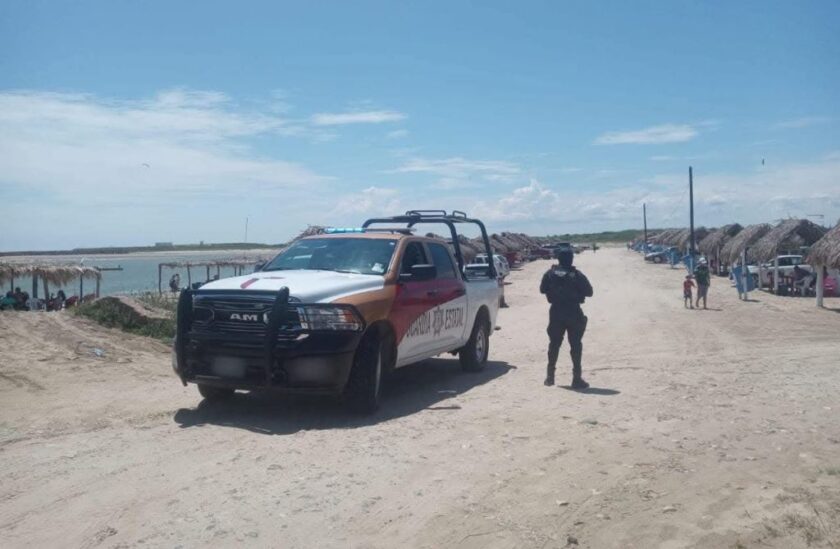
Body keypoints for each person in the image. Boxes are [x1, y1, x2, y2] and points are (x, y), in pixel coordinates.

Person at [540, 248, 594, 389]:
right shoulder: (577, 275)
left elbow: (542, 289)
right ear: (571, 259)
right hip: (573, 311)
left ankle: (550, 377)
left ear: (558, 259)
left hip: (556, 312)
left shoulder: (549, 274)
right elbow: (589, 292)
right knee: (576, 345)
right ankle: (577, 378)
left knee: (554, 344)